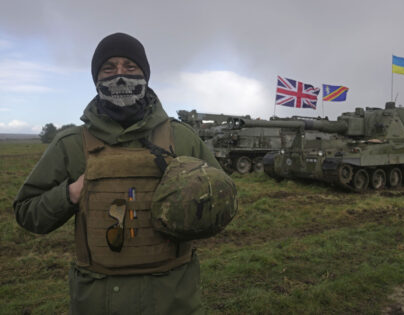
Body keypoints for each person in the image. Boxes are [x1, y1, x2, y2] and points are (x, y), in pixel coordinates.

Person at [14, 33, 237, 314]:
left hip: (172, 300)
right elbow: (26, 212)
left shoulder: (181, 138)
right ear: (96, 79)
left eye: (130, 67)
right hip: (97, 301)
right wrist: (71, 193)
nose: (120, 75)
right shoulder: (71, 144)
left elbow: (223, 202)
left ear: (145, 74)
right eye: (109, 68)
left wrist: (194, 201)